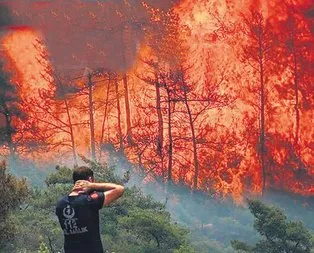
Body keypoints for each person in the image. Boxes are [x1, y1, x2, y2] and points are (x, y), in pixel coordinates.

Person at [56, 166, 125, 253]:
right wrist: (92, 185)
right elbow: (120, 189)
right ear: (90, 179)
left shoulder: (60, 204)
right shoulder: (89, 200)